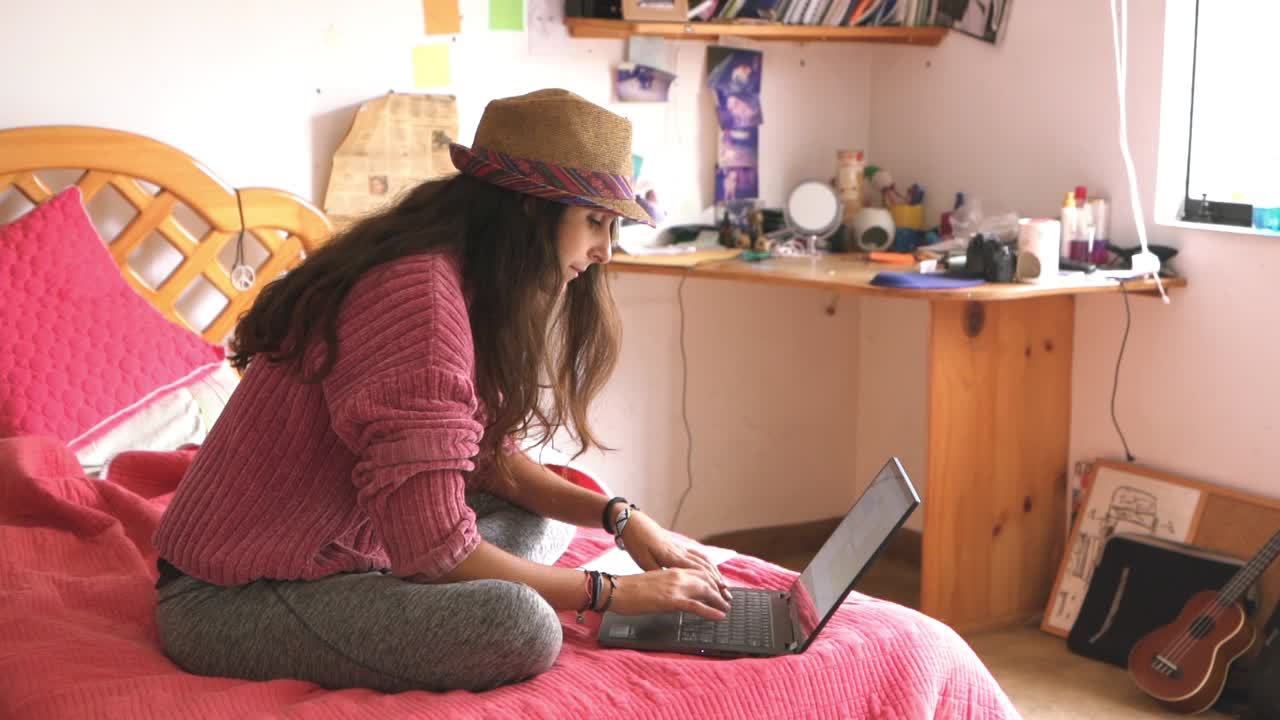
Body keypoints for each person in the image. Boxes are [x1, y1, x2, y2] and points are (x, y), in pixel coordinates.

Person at [152, 89, 733, 694]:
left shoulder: (462, 277)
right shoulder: (417, 302)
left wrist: (622, 518)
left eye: (612, 227)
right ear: (529, 208)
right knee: (523, 625)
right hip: (232, 595)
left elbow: (488, 459)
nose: (605, 251)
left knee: (543, 512)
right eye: (594, 221)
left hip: (354, 546)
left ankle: (456, 579)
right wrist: (611, 593)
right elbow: (434, 548)